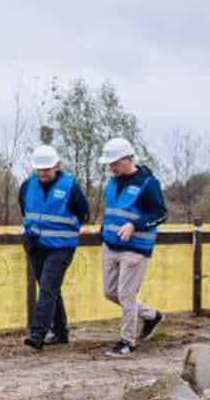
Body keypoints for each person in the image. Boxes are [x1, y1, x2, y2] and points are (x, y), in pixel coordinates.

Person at [96, 137, 166, 357]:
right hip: (110, 245)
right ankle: (152, 315)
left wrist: (134, 225)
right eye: (109, 164)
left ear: (127, 159)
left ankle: (127, 342)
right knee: (110, 292)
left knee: (126, 294)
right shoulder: (112, 183)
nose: (111, 167)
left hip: (135, 248)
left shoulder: (148, 182)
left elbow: (160, 213)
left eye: (115, 163)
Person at [17, 143, 88, 350]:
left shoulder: (70, 186)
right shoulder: (27, 186)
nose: (43, 172)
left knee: (47, 287)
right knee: (51, 289)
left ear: (57, 165)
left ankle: (38, 333)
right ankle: (60, 332)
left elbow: (83, 213)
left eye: (47, 168)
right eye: (39, 169)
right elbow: (25, 211)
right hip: (36, 245)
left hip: (61, 247)